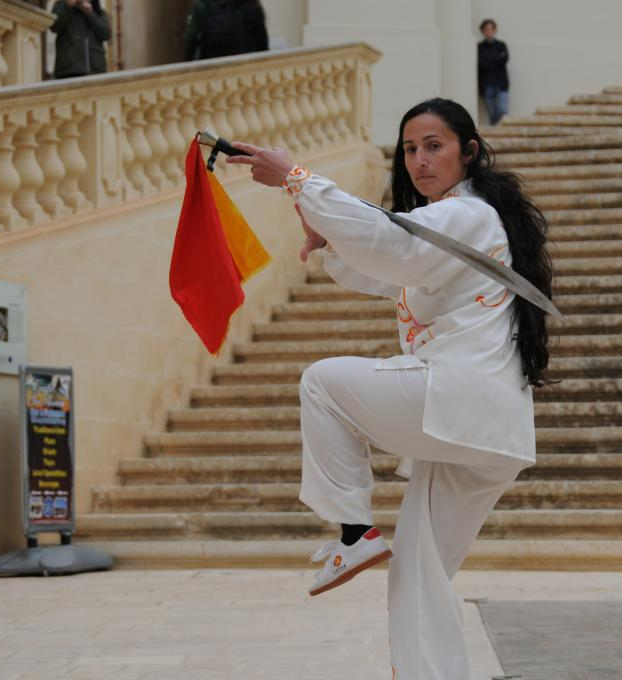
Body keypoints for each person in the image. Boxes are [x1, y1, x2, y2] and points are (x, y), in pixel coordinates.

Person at [226, 98, 554, 680]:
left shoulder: (467, 213)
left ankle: (354, 531)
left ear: (468, 152)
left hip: (460, 400)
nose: (420, 160)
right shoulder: (457, 223)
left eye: (435, 146)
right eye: (409, 149)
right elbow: (393, 265)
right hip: (486, 430)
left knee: (323, 383)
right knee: (418, 575)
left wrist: (295, 180)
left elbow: (392, 244)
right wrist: (328, 239)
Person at [184, 0, 269, 61]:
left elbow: (191, 40)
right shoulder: (251, 4)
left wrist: (190, 65)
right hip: (245, 67)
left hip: (213, 67)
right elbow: (262, 43)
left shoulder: (203, 4)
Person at [49, 0, 110, 78]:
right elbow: (54, 27)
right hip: (69, 69)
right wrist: (68, 6)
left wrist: (90, 13)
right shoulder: (62, 4)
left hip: (95, 69)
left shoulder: (97, 9)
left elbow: (105, 34)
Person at [477, 18, 510, 125]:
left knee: (503, 111)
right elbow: (481, 64)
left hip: (501, 83)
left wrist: (489, 60)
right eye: (486, 29)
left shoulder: (501, 45)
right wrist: (496, 59)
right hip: (487, 83)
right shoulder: (479, 47)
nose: (489, 31)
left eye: (491, 28)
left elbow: (504, 59)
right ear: (482, 31)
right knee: (493, 114)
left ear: (495, 30)